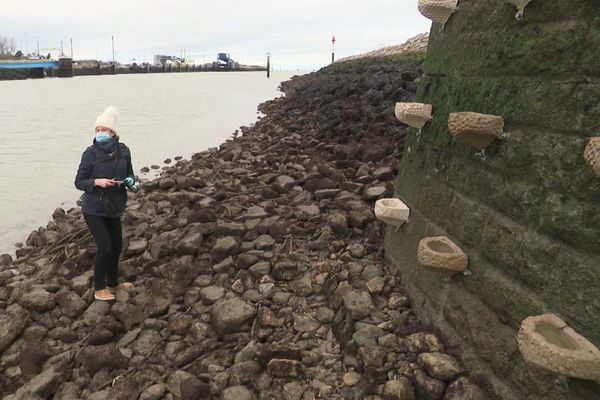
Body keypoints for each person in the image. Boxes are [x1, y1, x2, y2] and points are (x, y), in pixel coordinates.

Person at [75, 106, 138, 301]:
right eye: (97, 130)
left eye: (104, 130)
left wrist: (131, 183)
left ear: (113, 132)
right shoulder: (90, 154)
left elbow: (130, 175)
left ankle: (113, 283)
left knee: (117, 246)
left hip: (114, 205)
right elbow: (79, 181)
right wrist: (97, 182)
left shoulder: (124, 151)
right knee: (104, 247)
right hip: (93, 208)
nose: (100, 133)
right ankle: (99, 288)